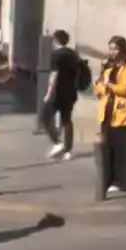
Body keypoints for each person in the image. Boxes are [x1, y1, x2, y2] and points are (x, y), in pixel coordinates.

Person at [94, 36, 126, 195]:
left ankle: (123, 181)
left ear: (122, 50)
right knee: (107, 150)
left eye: (115, 49)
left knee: (121, 151)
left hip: (121, 114)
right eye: (110, 49)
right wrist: (102, 83)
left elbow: (125, 89)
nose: (112, 52)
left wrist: (108, 85)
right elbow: (99, 89)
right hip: (106, 113)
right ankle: (109, 180)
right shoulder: (108, 68)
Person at [42, 30, 81, 160]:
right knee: (67, 120)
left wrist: (48, 93)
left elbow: (54, 74)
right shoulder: (73, 54)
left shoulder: (56, 55)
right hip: (70, 92)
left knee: (45, 117)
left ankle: (57, 142)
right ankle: (68, 151)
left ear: (56, 41)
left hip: (57, 92)